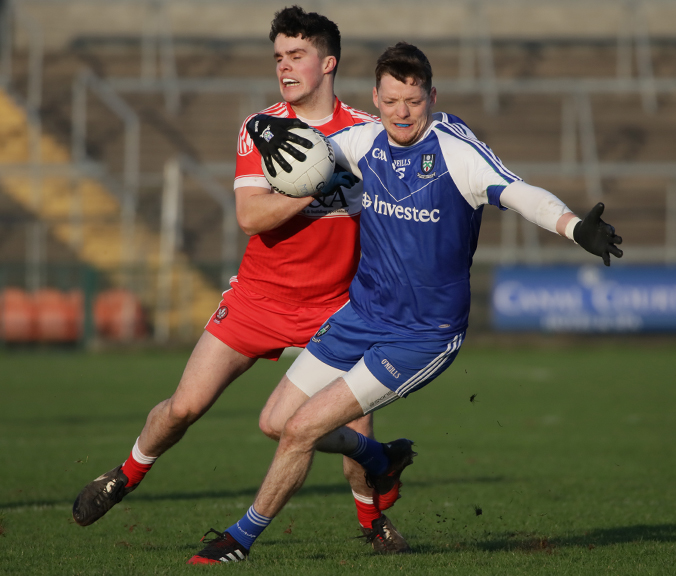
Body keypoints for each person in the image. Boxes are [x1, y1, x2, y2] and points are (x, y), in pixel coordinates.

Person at [186, 41, 623, 564]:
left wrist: (574, 227)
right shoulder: (364, 140)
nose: (400, 113)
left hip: (423, 333)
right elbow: (312, 147)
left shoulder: (455, 152)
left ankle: (241, 538)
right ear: (376, 97)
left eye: (413, 101)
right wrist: (265, 129)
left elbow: (519, 193)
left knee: (303, 429)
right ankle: (381, 458)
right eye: (390, 101)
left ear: (431, 97)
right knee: (275, 422)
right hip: (362, 314)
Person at [72, 7, 411, 554]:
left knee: (356, 431)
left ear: (328, 62)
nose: (284, 66)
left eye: (296, 55)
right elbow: (251, 217)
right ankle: (126, 474)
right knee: (183, 407)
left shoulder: (367, 135)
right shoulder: (264, 128)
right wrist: (312, 186)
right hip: (259, 297)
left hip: (338, 306)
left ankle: (375, 521)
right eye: (278, 57)